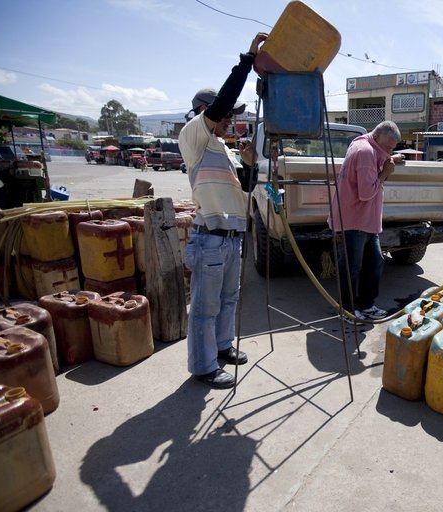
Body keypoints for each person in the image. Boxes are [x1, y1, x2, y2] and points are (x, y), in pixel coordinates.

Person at [179, 32, 268, 389]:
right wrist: (247, 59)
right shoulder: (194, 137)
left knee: (229, 299)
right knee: (205, 307)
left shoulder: (224, 148)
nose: (230, 119)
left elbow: (244, 190)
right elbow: (223, 101)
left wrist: (249, 164)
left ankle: (221, 347)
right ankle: (203, 366)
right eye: (227, 114)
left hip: (232, 238)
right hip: (211, 240)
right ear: (205, 112)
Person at [328, 121, 405, 321]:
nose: (389, 151)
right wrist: (385, 174)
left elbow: (378, 157)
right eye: (388, 146)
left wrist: (391, 158)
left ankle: (367, 305)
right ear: (377, 137)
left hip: (365, 221)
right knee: (351, 267)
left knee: (375, 262)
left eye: (392, 148)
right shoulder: (365, 153)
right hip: (354, 220)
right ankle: (347, 310)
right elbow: (366, 192)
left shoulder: (365, 144)